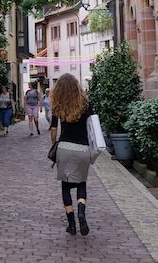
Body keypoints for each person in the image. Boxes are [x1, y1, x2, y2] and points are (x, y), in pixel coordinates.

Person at [49, 73, 94, 236]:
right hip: (82, 149)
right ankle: (81, 211)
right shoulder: (86, 104)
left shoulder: (57, 104)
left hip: (64, 148)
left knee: (66, 186)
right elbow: (92, 126)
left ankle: (71, 224)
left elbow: (53, 128)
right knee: (81, 183)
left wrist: (53, 144)